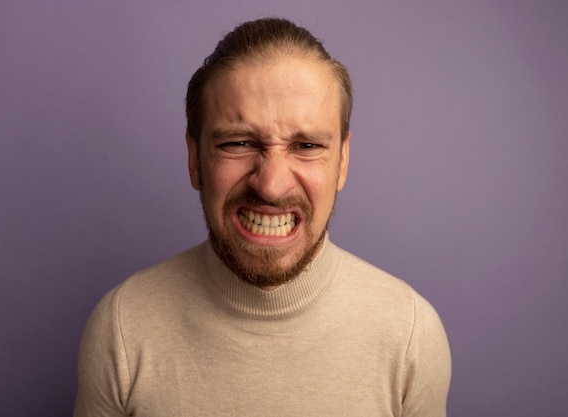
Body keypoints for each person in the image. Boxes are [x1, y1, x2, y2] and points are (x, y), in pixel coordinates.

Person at [74, 17, 451, 417]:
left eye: (306, 145)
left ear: (342, 162)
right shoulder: (122, 328)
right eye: (238, 142)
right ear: (194, 159)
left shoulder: (410, 335)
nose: (271, 185)